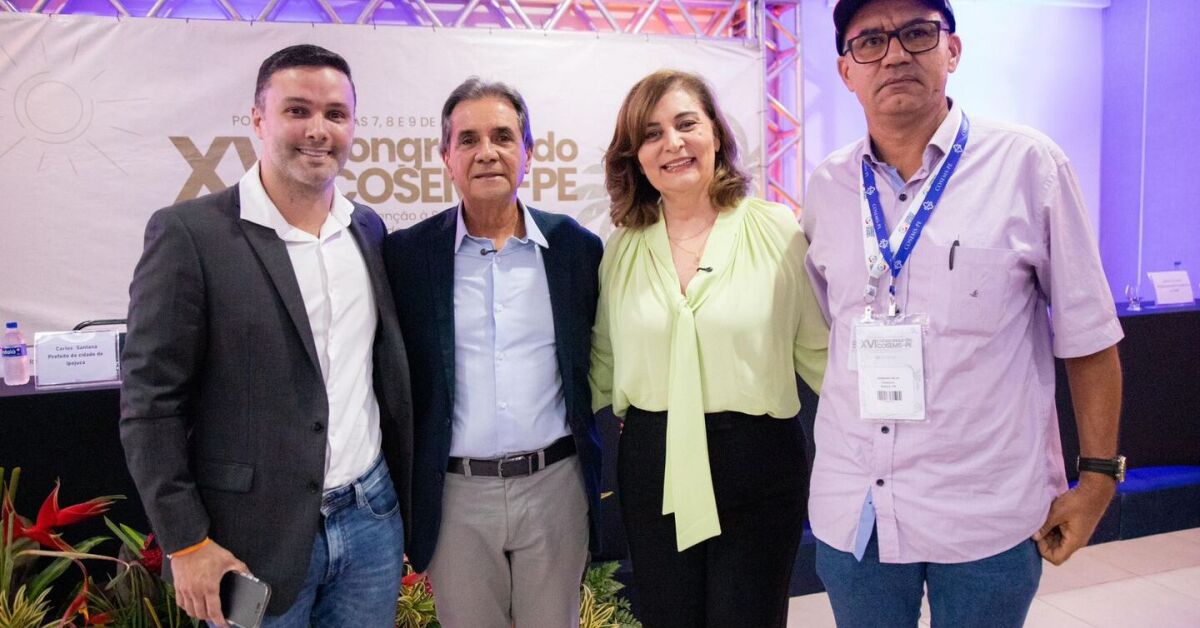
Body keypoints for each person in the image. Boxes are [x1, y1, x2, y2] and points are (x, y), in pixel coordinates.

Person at [802, 1, 1126, 626]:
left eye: (917, 33)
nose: (895, 54)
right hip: (857, 513)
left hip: (987, 516)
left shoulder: (1028, 166)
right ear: (846, 71)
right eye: (870, 42)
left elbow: (1089, 336)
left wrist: (1097, 480)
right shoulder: (826, 187)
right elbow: (830, 328)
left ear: (952, 50)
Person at [120, 44, 413, 627]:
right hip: (249, 538)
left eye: (335, 114)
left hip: (370, 521)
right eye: (297, 110)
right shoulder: (190, 235)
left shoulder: (367, 229)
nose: (318, 130)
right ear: (257, 120)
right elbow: (150, 405)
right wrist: (185, 541)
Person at [590, 69, 829, 628]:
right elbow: (602, 364)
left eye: (686, 124)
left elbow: (822, 358)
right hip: (654, 466)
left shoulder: (776, 231)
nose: (672, 143)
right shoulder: (622, 249)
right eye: (651, 134)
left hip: (758, 466)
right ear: (636, 157)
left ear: (716, 134)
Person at [383, 78, 602, 628]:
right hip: (456, 496)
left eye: (503, 137)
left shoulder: (575, 248)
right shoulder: (408, 256)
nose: (487, 152)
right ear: (446, 157)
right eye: (468, 139)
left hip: (555, 485)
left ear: (528, 152)